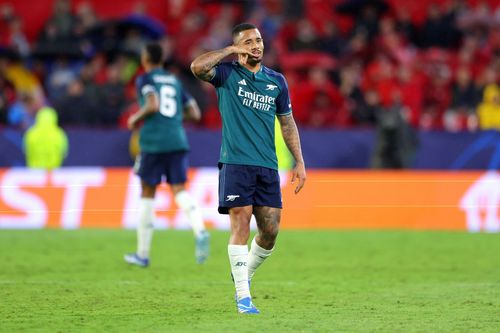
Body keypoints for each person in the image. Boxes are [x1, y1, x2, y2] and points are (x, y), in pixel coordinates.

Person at [191, 23, 306, 314]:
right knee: (240, 225)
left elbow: (287, 123)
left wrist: (299, 161)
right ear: (239, 46)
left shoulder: (276, 81)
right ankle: (243, 297)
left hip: (267, 165)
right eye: (248, 41)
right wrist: (230, 50)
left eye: (258, 40)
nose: (256, 45)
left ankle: (244, 272)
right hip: (236, 163)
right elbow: (197, 67)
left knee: (271, 230)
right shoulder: (227, 74)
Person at [124, 42, 209, 267]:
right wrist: (174, 121)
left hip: (153, 142)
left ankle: (142, 253)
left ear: (145, 59)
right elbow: (195, 113)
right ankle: (200, 229)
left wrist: (135, 118)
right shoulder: (174, 81)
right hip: (177, 140)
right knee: (179, 189)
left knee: (147, 192)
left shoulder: (145, 79)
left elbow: (152, 104)